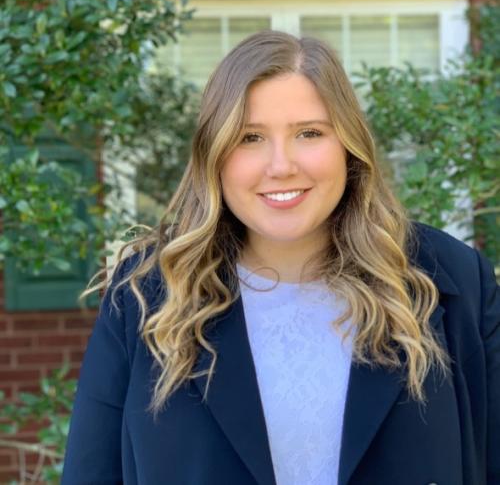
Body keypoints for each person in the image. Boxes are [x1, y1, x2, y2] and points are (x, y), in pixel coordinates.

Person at [61, 30, 499, 485]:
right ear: (214, 155)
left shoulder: (450, 281)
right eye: (250, 137)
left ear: (348, 146)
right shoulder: (147, 294)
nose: (281, 165)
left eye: (309, 133)